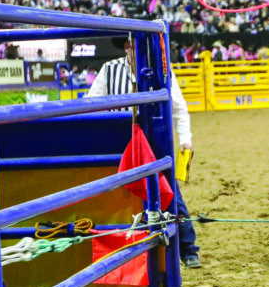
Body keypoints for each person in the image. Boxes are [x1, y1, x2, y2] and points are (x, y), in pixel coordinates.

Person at [87, 33, 203, 269]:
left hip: (153, 143)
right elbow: (91, 104)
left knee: (169, 193)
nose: (133, 49)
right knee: (125, 195)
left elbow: (178, 106)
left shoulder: (162, 70)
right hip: (119, 143)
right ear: (127, 47)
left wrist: (185, 140)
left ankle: (188, 248)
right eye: (130, 45)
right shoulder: (109, 70)